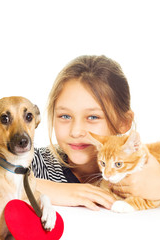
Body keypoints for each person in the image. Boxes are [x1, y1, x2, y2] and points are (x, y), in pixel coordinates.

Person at [32, 55, 134, 211]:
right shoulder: (37, 164)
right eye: (65, 116)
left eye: (93, 117)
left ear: (123, 122)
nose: (76, 131)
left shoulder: (136, 169)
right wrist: (53, 189)